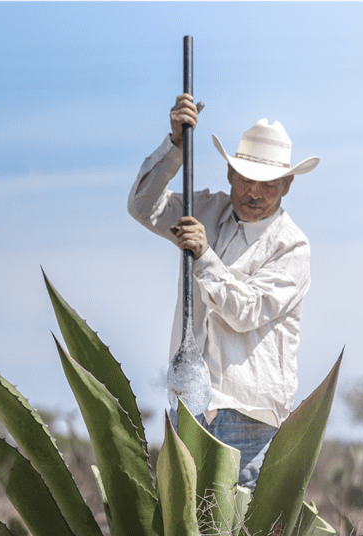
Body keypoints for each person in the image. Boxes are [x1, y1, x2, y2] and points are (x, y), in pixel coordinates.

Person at [127, 93, 319, 490]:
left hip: (248, 411)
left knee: (235, 529)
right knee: (185, 517)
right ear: (230, 174)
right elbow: (144, 206)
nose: (254, 192)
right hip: (191, 398)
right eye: (246, 178)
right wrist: (176, 145)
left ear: (287, 185)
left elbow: (245, 311)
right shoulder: (207, 210)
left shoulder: (291, 247)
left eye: (268, 184)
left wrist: (203, 254)